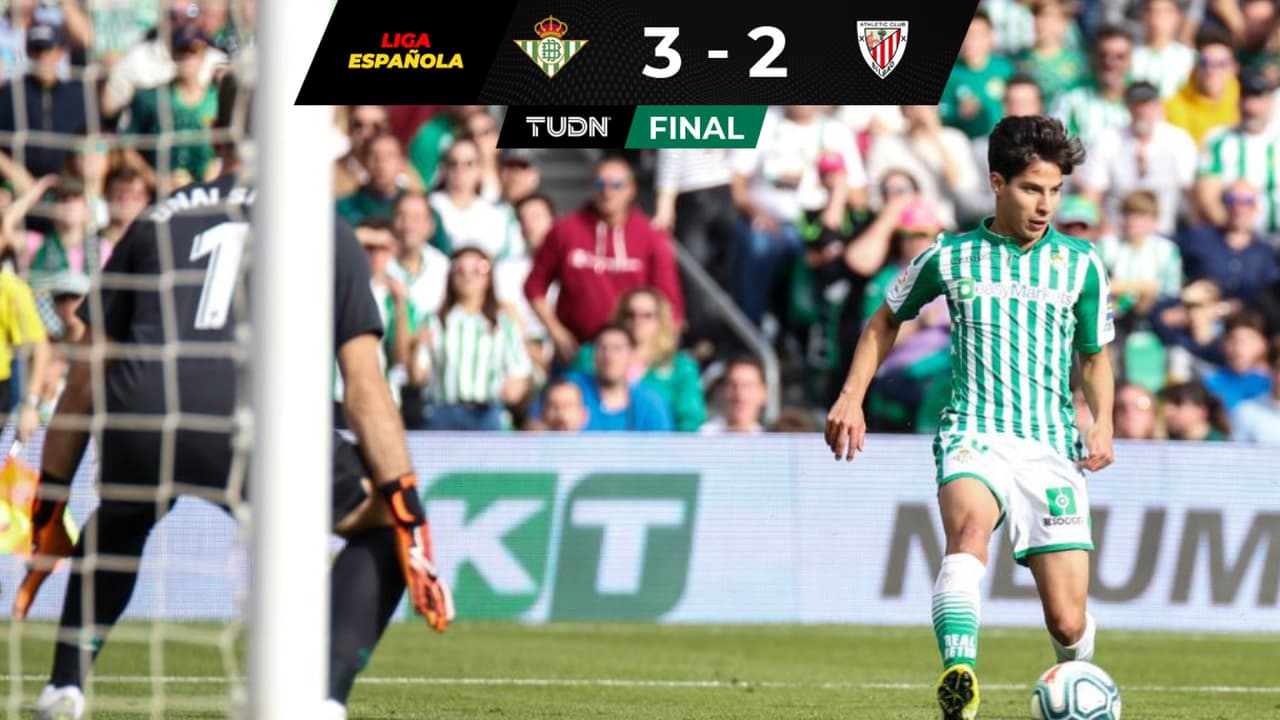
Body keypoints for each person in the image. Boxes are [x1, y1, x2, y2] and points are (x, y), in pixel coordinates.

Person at [18, 70, 453, 720]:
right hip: (257, 419)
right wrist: (408, 509)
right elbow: (365, 389)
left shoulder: (154, 219)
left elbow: (84, 379)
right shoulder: (320, 225)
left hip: (143, 414)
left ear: (217, 131)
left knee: (124, 511)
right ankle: (320, 700)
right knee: (385, 528)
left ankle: (64, 686)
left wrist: (50, 504)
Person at [825, 115, 1115, 720]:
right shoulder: (950, 255)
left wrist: (1105, 420)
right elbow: (885, 319)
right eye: (1032, 189)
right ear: (997, 183)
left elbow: (1093, 356)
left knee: (1067, 621)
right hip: (972, 432)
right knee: (968, 536)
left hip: (1051, 445)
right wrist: (852, 396)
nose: (1046, 205)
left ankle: (1081, 678)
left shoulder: (1082, 265)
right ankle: (960, 676)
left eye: (1055, 190)